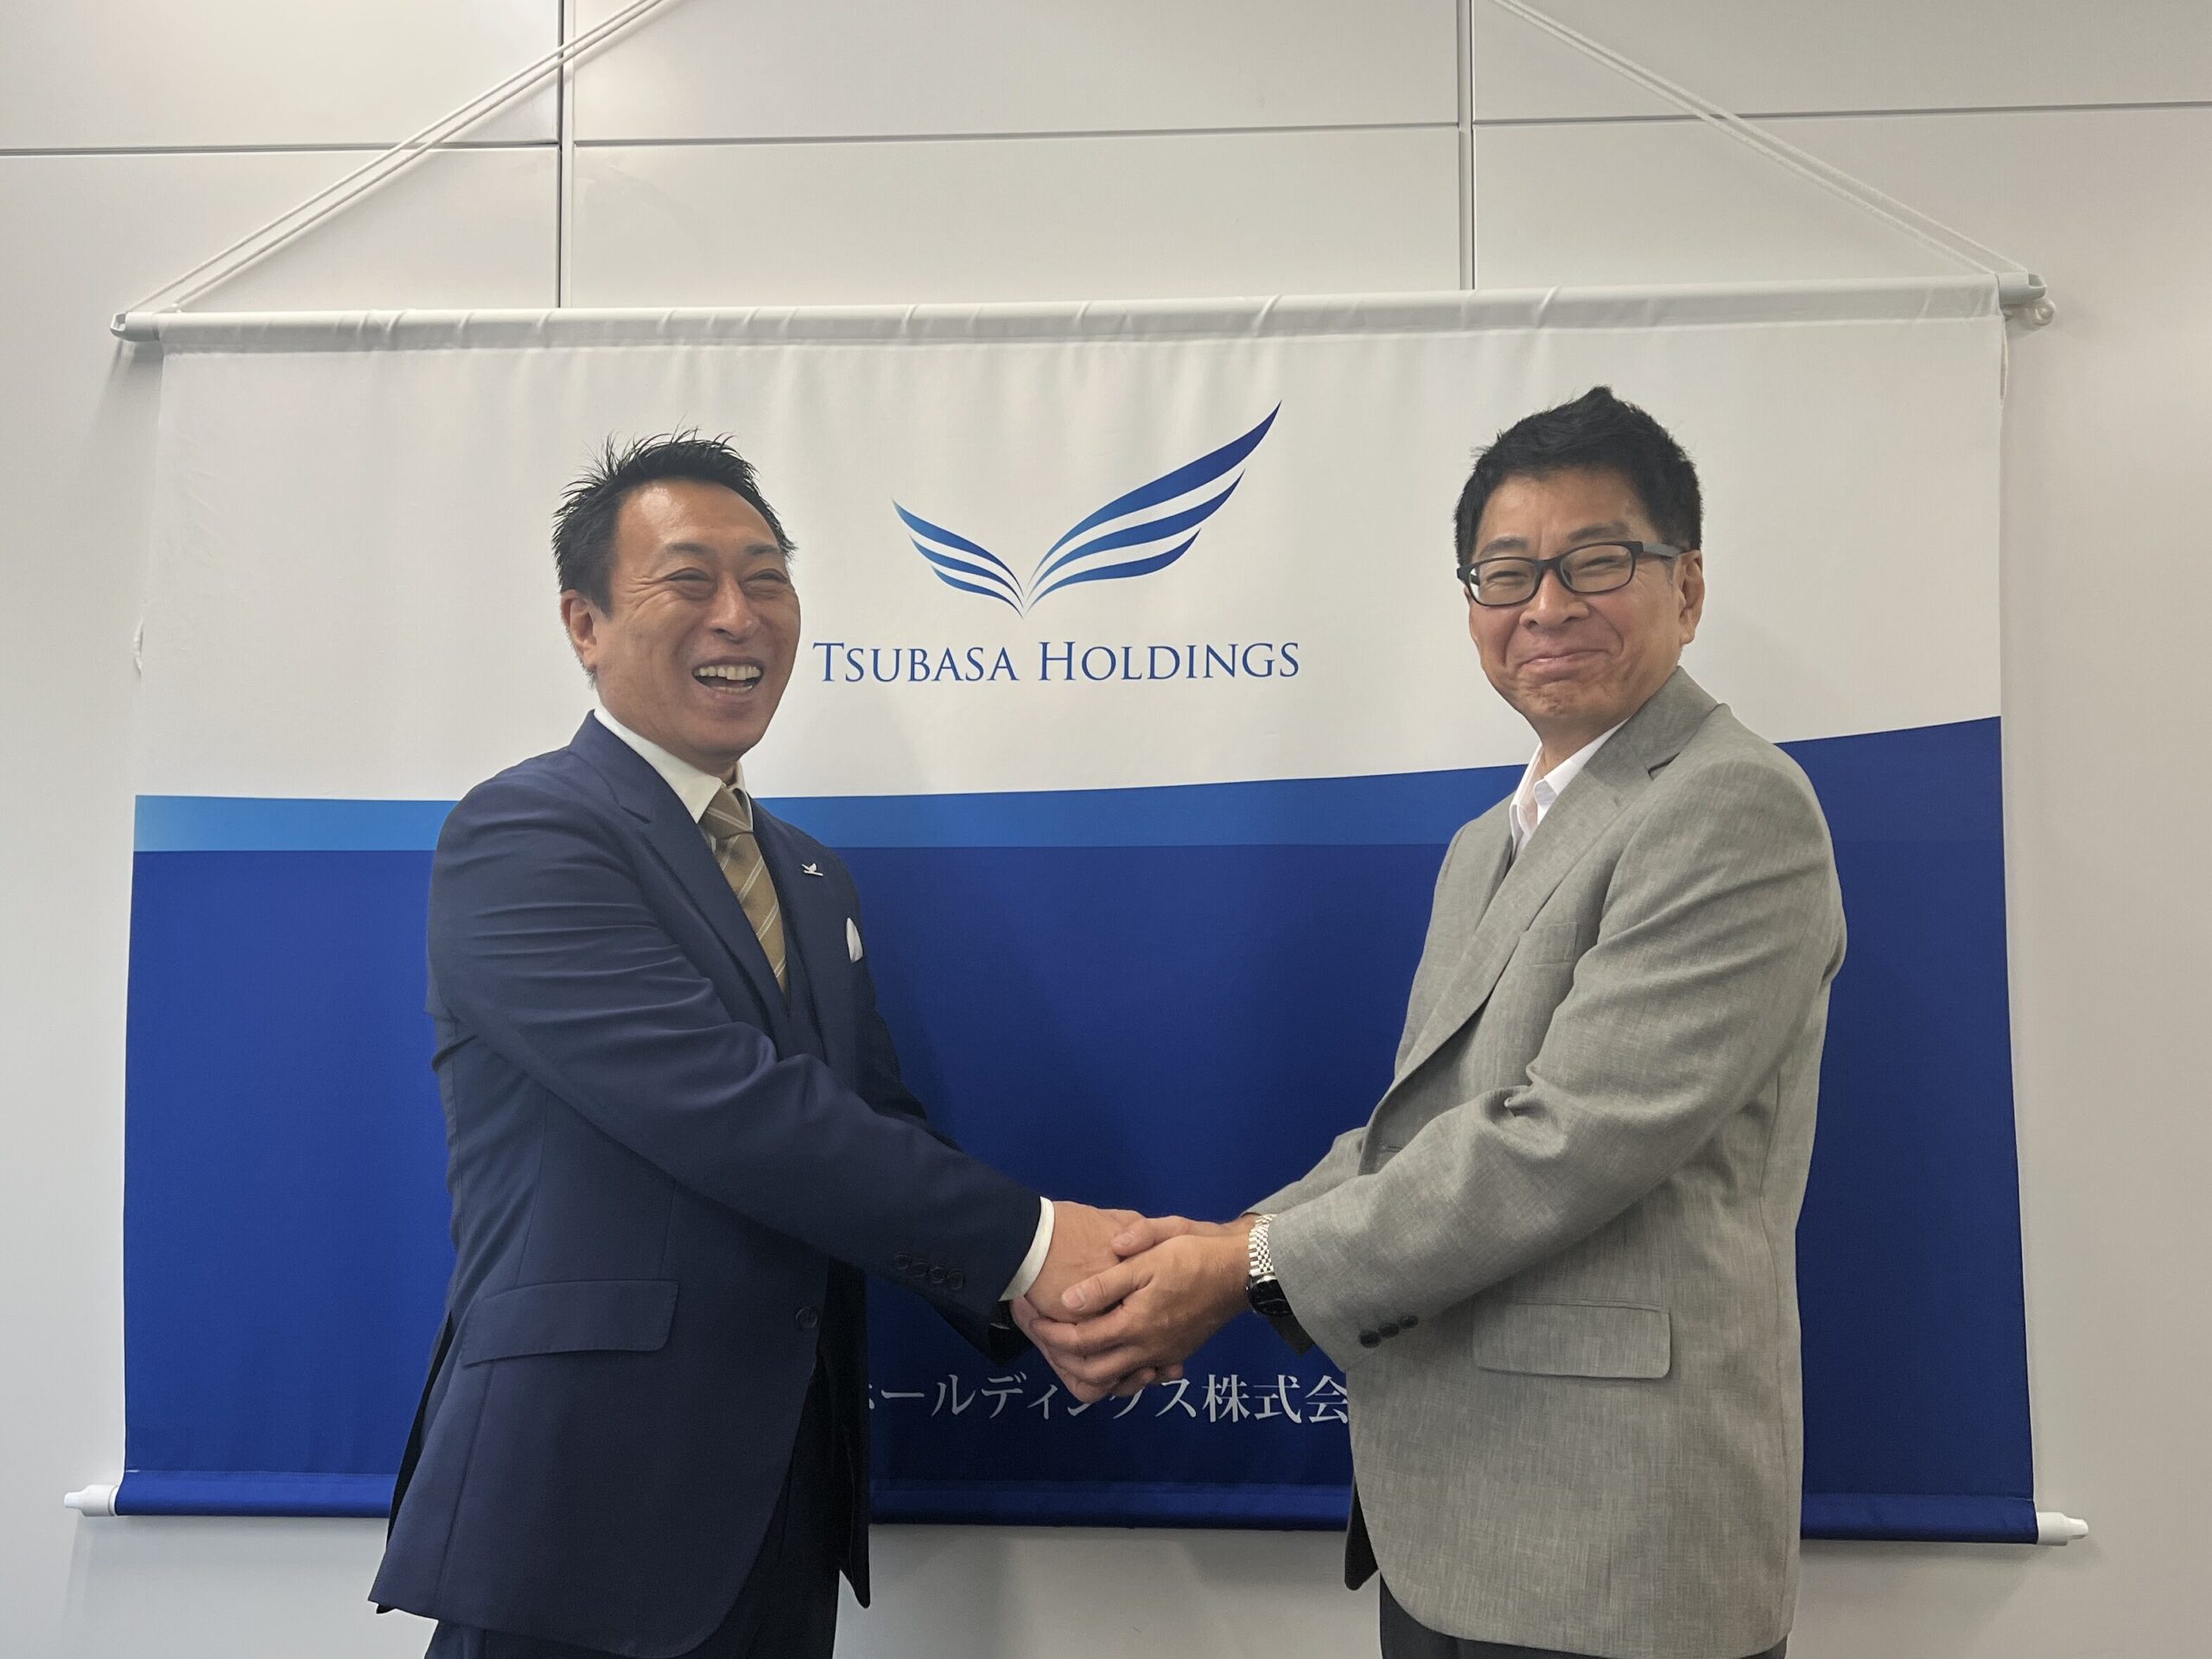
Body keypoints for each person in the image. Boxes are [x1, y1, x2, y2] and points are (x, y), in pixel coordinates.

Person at [1026, 387, 1847, 1659]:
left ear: (1687, 587)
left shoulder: (1732, 804)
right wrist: (1227, 1242)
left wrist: (1242, 1270)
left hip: (1614, 1538)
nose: (1547, 607)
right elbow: (1418, 1134)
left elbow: (1557, 1142)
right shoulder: (1484, 845)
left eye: (1597, 561)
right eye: (1506, 573)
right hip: (1450, 1516)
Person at [371, 433, 1150, 1659]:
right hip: (581, 1496)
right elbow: (731, 1108)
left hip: (784, 1495)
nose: (739, 615)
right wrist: (1039, 1245)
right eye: (689, 579)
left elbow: (871, 1120)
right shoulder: (525, 832)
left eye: (768, 578)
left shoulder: (810, 875)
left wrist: (1048, 1303)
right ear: (584, 624)